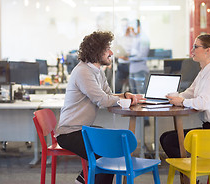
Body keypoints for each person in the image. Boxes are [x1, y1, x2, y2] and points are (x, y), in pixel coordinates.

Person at [56, 31, 144, 184]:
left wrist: (125, 95)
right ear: (97, 52)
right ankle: (84, 180)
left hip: (82, 128)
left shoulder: (97, 71)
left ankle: (82, 180)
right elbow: (103, 101)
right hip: (69, 132)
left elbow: (108, 95)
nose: (111, 53)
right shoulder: (83, 72)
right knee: (108, 152)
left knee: (110, 146)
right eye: (107, 49)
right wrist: (125, 102)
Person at [160, 34, 210, 158]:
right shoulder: (204, 72)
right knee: (165, 137)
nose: (192, 50)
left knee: (169, 140)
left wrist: (182, 102)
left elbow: (204, 103)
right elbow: (190, 93)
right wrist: (172, 98)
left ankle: (190, 175)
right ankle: (190, 175)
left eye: (195, 47)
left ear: (207, 50)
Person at [128, 19, 150, 94]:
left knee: (141, 94)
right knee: (133, 94)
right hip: (132, 70)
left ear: (138, 27)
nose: (131, 31)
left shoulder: (144, 38)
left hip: (140, 71)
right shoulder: (134, 38)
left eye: (133, 29)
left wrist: (128, 58)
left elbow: (142, 55)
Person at [114, 18, 134, 93]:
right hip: (121, 65)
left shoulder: (133, 37)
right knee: (117, 87)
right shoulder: (119, 37)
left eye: (126, 25)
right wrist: (121, 56)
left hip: (131, 65)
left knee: (132, 88)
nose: (124, 27)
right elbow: (115, 50)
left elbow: (135, 52)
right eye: (123, 25)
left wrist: (127, 56)